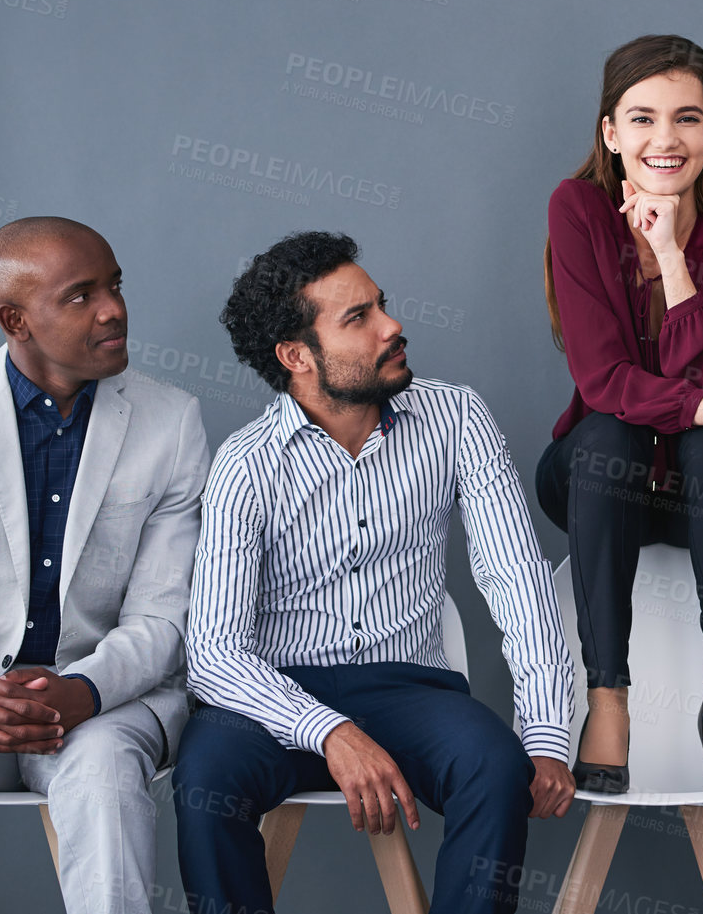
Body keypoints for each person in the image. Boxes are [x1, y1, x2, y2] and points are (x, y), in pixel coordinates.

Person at [174, 231, 574, 914]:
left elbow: (516, 578)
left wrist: (546, 732)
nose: (393, 327)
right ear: (297, 356)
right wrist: (328, 729)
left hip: (410, 687)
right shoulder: (246, 464)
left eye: (380, 304)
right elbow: (212, 654)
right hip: (276, 697)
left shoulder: (457, 417)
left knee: (495, 766)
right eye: (358, 318)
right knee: (205, 780)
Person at [0, 217, 208, 914]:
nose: (113, 308)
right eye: (81, 295)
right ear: (14, 318)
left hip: (105, 704)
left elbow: (163, 616)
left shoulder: (171, 421)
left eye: (113, 285)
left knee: (108, 778)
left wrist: (79, 691)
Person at [538, 34, 703, 794]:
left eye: (686, 119)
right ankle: (606, 700)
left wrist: (674, 257)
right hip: (594, 480)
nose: (664, 139)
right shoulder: (577, 207)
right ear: (610, 132)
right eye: (641, 118)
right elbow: (604, 378)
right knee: (616, 428)